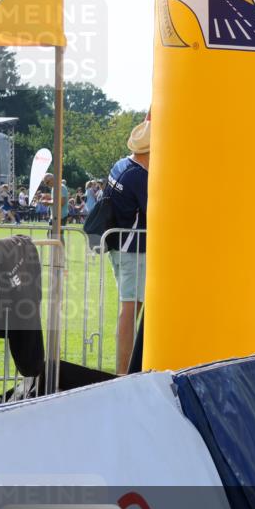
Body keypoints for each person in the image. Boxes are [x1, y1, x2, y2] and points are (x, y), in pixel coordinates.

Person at [106, 118, 150, 374]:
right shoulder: (139, 177)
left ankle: (126, 369)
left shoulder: (122, 164)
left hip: (118, 247)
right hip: (133, 251)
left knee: (129, 308)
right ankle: (123, 372)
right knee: (130, 309)